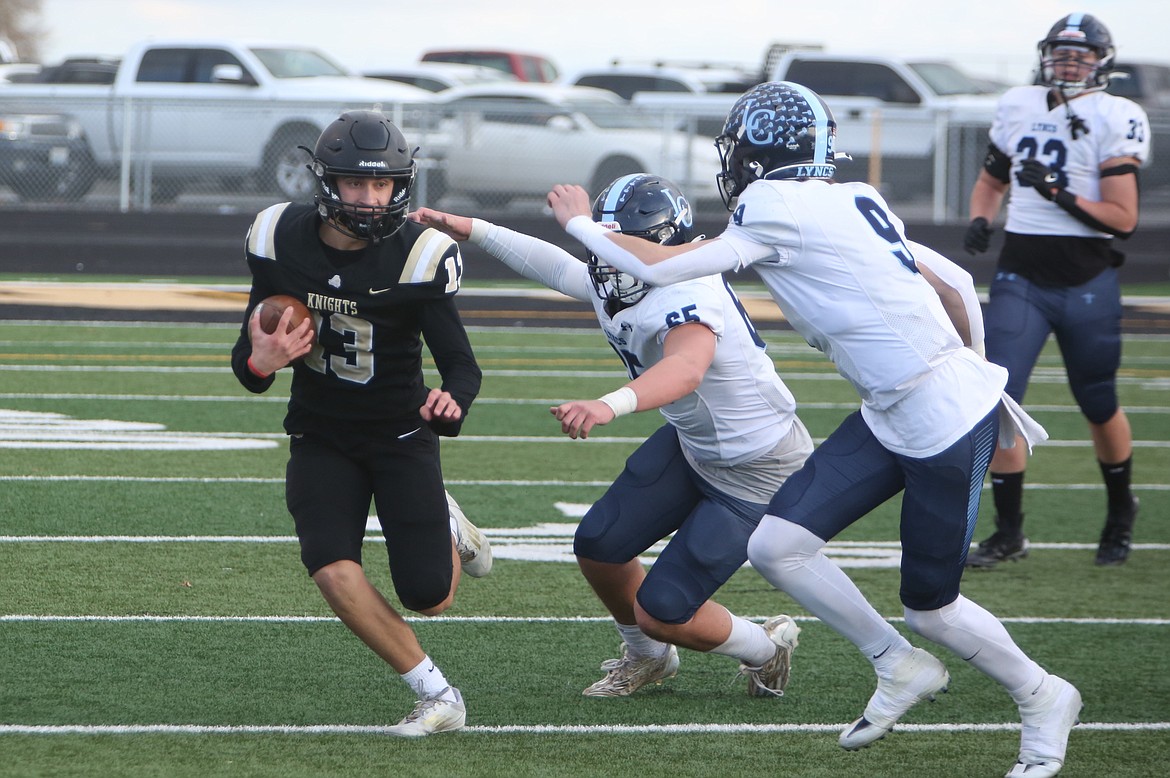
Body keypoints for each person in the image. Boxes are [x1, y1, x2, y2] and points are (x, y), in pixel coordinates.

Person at [549, 82, 1081, 778]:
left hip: (938, 421)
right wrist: (978, 370)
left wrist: (583, 226)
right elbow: (950, 279)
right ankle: (895, 666)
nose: (732, 160)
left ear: (759, 151)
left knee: (934, 611)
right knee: (777, 545)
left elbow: (663, 263)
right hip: (899, 408)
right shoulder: (850, 195)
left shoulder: (771, 203)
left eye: (738, 147)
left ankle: (1044, 699)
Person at [410, 172, 811, 698]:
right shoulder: (627, 275)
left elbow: (686, 368)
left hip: (757, 466)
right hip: (695, 444)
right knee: (600, 545)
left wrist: (608, 404)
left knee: (663, 611)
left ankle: (766, 647)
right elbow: (560, 268)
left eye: (618, 244)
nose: (605, 259)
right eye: (604, 242)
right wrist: (475, 228)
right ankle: (648, 660)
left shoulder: (687, 288)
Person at [230, 110, 490, 737]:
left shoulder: (419, 255)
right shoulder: (278, 238)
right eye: (355, 185)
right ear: (326, 182)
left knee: (430, 596)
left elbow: (461, 365)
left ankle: (446, 522)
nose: (370, 200)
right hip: (320, 431)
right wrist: (259, 361)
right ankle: (437, 695)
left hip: (400, 434)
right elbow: (248, 361)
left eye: (382, 186)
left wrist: (450, 401)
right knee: (329, 564)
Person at [964, 12, 1149, 568]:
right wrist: (981, 216)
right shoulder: (1019, 104)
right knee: (1001, 402)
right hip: (1022, 271)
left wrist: (1060, 194)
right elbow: (992, 177)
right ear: (1045, 56)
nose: (1068, 64)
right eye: (1061, 54)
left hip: (1087, 277)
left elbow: (1122, 217)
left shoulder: (1117, 115)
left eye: (1080, 55)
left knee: (1097, 400)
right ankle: (1010, 531)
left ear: (1102, 63)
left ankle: (1120, 511)